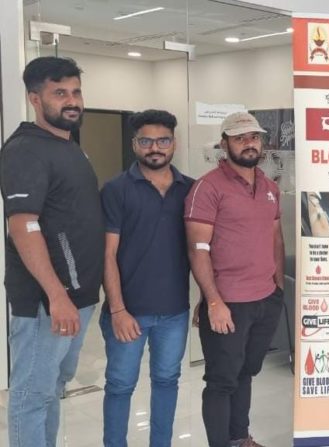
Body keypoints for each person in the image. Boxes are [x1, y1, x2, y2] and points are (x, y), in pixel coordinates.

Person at [0, 56, 104, 447]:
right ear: (34, 98)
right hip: (48, 302)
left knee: (52, 386)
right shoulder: (26, 149)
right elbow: (23, 227)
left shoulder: (68, 147)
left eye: (76, 91)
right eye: (59, 93)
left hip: (77, 297)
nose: (72, 101)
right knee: (31, 394)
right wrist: (57, 295)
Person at [185, 111, 285, 447]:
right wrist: (213, 301)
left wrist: (278, 288)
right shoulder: (207, 187)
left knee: (246, 372)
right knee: (221, 382)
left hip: (265, 299)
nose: (248, 143)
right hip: (229, 303)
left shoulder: (270, 187)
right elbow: (198, 249)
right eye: (239, 138)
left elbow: (275, 238)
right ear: (224, 143)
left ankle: (240, 439)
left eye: (253, 137)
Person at [100, 110, 194, 446]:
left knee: (167, 381)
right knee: (120, 386)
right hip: (129, 312)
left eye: (163, 140)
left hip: (175, 312)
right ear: (134, 144)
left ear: (173, 143)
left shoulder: (190, 189)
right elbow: (107, 254)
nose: (155, 148)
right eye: (146, 141)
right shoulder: (116, 189)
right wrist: (118, 310)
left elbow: (200, 250)